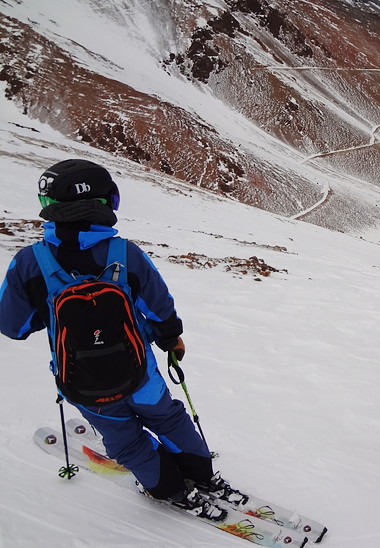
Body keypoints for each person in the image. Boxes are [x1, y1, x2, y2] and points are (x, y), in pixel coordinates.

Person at [0, 159, 240, 519]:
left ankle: (170, 490)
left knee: (125, 440)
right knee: (169, 419)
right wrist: (171, 338)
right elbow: (159, 307)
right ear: (103, 204)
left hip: (81, 383)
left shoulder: (28, 263)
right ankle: (202, 477)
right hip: (140, 372)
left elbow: (14, 327)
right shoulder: (125, 254)